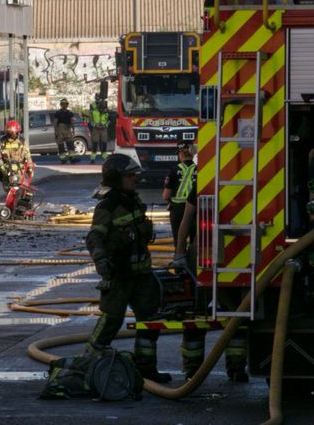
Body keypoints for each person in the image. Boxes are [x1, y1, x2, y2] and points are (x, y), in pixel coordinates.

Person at [165, 145, 249, 383]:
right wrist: (180, 252)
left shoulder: (207, 177)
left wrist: (180, 252)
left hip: (202, 251)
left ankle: (193, 370)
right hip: (233, 252)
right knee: (235, 310)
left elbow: (187, 219)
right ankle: (235, 368)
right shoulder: (244, 176)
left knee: (196, 311)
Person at [85, 154, 170, 383]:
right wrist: (101, 260)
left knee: (150, 321)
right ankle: (88, 364)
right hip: (120, 275)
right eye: (129, 176)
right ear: (116, 178)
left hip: (142, 275)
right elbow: (94, 237)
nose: (134, 179)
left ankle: (146, 370)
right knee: (111, 320)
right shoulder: (108, 205)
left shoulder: (133, 201)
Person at [164, 142, 197, 268]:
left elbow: (166, 195)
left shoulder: (174, 170)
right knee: (195, 240)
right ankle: (194, 265)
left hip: (178, 210)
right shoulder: (199, 168)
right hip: (196, 208)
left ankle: (180, 265)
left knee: (179, 241)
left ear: (181, 154)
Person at [0, 120, 33, 193]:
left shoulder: (22, 141)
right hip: (7, 168)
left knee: (23, 188)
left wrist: (30, 167)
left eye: (16, 133)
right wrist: (1, 167)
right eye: (12, 133)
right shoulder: (2, 142)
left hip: (20, 169)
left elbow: (27, 155)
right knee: (9, 189)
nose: (14, 134)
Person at [54, 98, 79, 164]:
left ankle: (63, 160)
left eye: (65, 104)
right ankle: (72, 159)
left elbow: (55, 123)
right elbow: (72, 121)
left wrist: (56, 131)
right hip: (66, 129)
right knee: (69, 144)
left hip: (61, 129)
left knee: (61, 145)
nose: (64, 105)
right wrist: (73, 129)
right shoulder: (69, 113)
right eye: (64, 104)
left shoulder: (58, 113)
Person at [89, 97, 111, 164]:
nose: (102, 109)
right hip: (96, 129)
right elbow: (91, 120)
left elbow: (109, 120)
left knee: (104, 143)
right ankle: (92, 159)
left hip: (104, 129)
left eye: (103, 108)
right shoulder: (93, 110)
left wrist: (106, 125)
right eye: (101, 108)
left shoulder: (106, 111)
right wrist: (95, 125)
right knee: (95, 143)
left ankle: (105, 158)